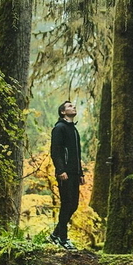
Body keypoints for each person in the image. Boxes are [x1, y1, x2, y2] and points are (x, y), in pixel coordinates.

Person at [49, 100, 84, 249]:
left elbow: (77, 154)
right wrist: (60, 170)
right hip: (65, 173)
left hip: (74, 173)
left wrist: (80, 173)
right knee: (67, 204)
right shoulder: (59, 128)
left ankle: (55, 234)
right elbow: (55, 152)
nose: (73, 107)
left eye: (74, 106)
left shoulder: (74, 130)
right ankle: (63, 239)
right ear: (63, 112)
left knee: (74, 205)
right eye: (69, 106)